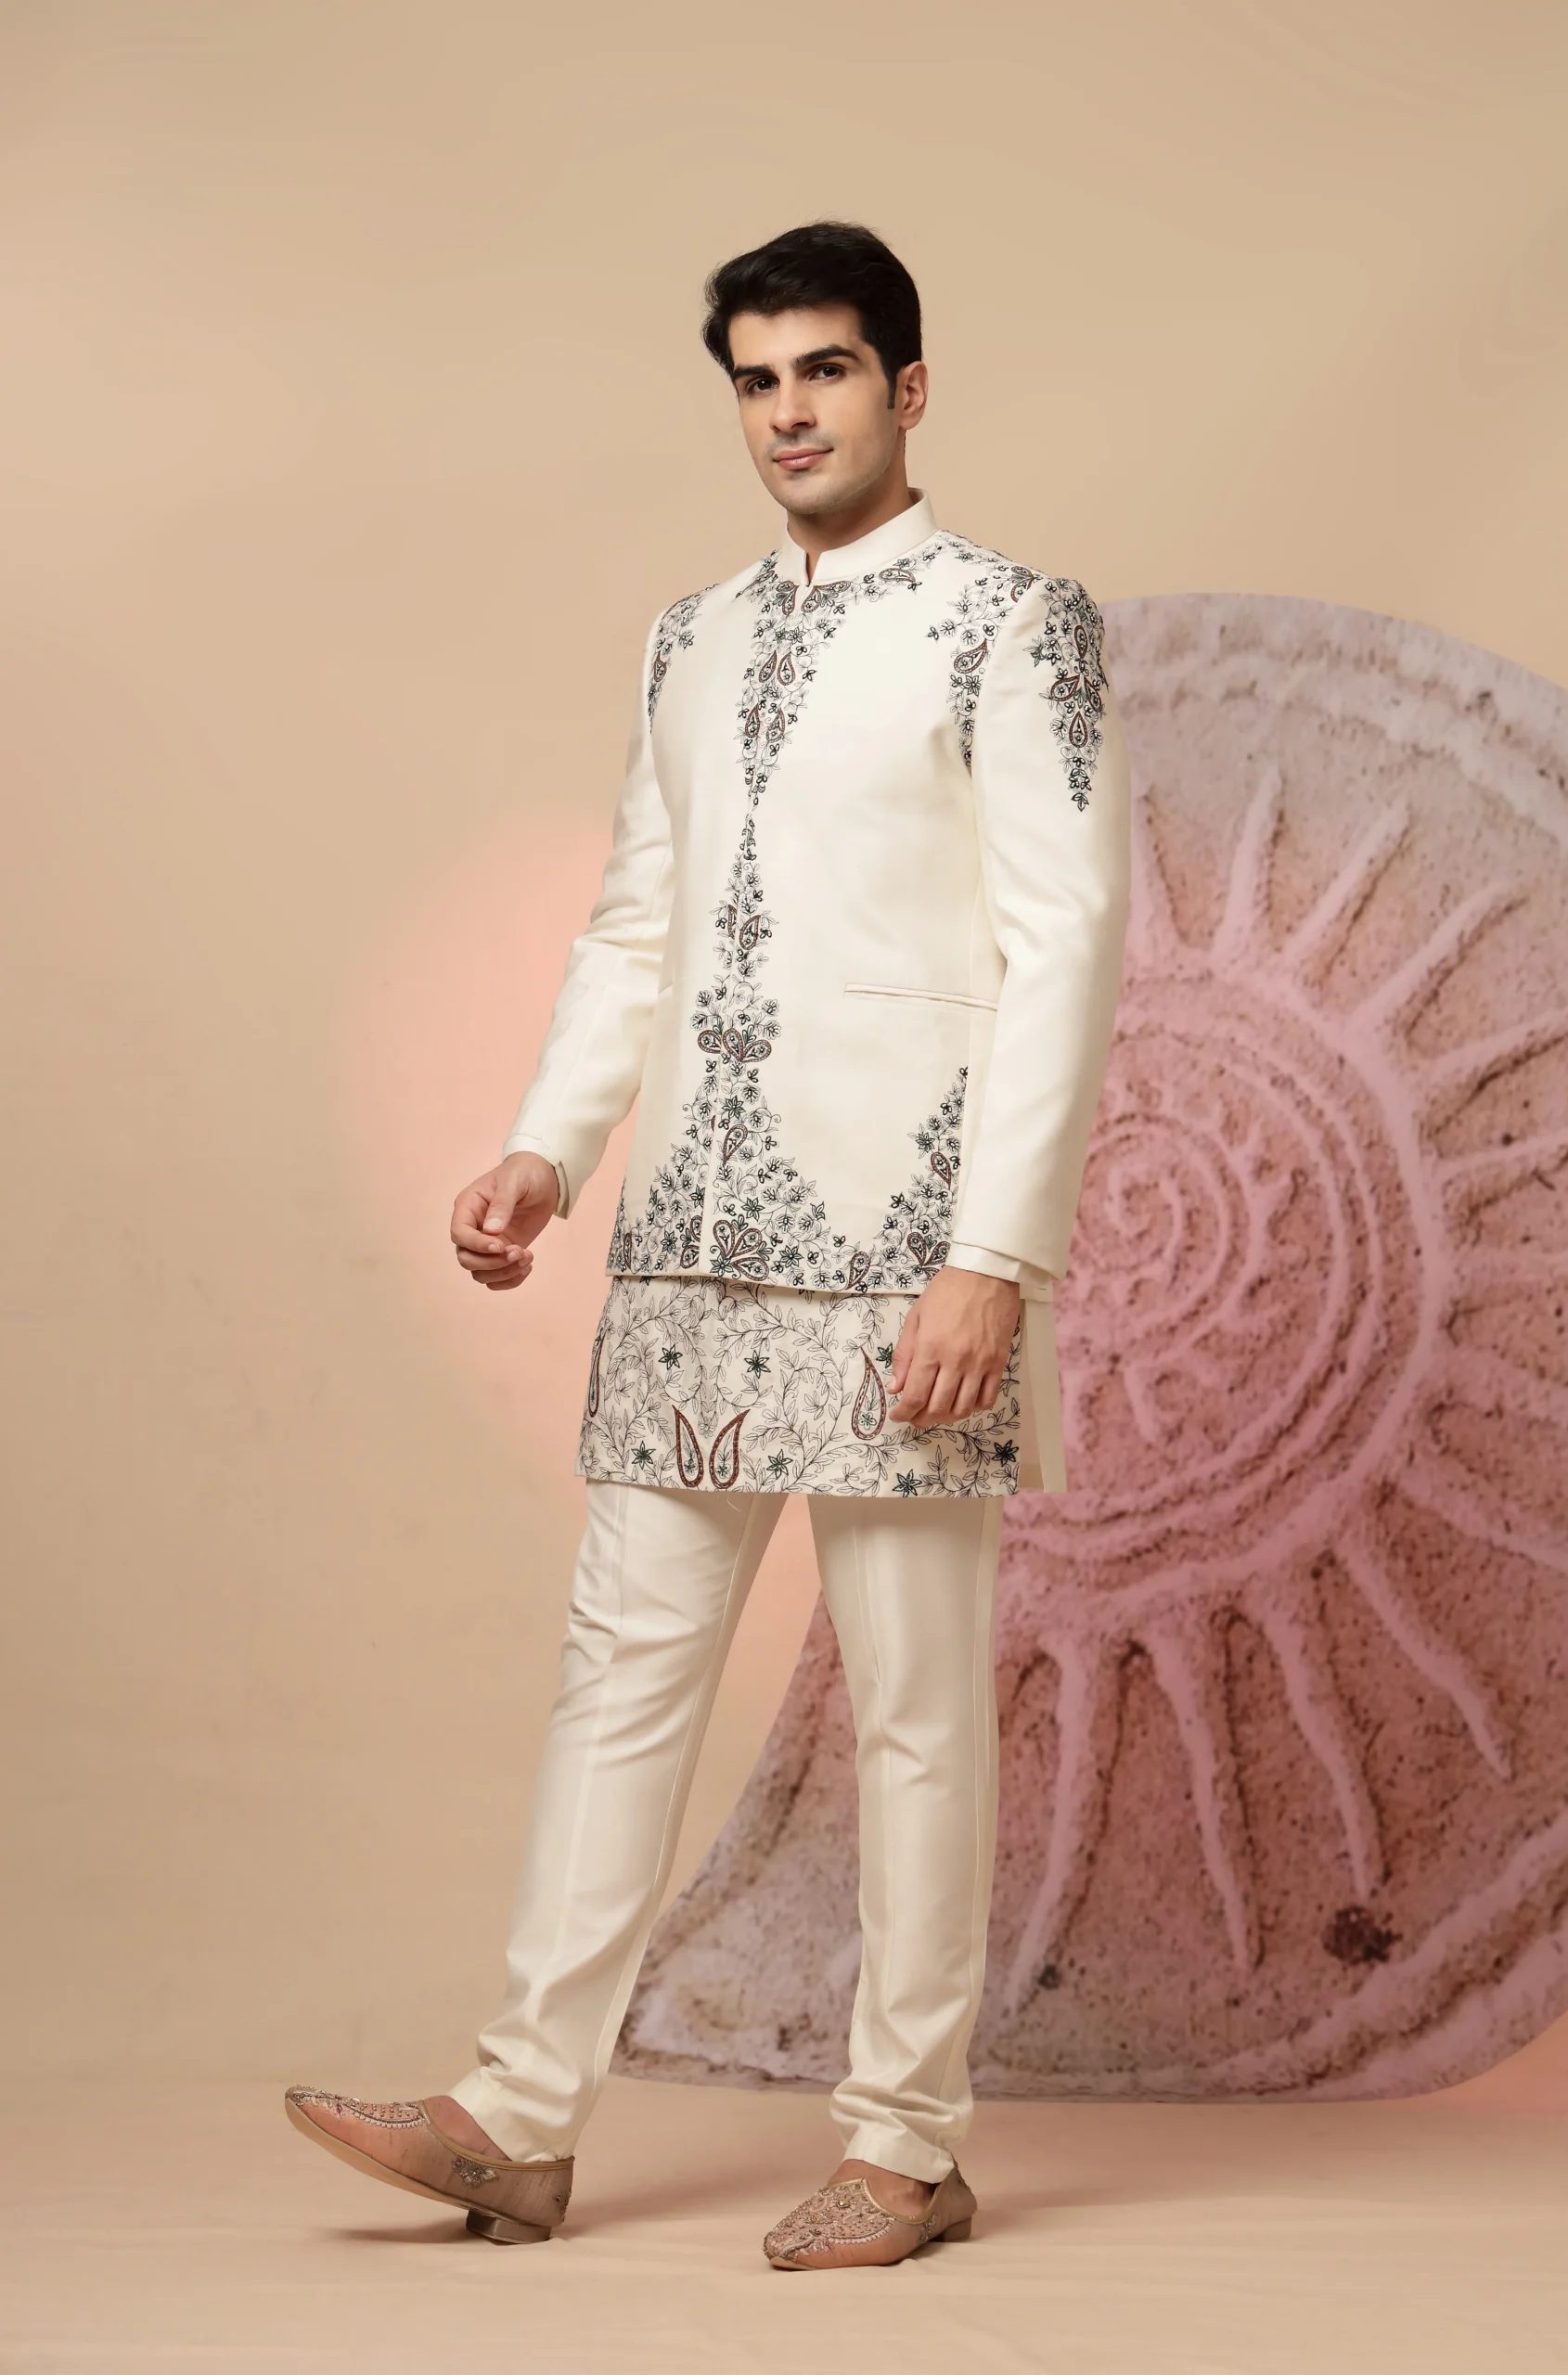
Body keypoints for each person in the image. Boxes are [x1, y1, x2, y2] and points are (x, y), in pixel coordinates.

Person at [287, 220, 1131, 2269]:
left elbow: (1067, 941)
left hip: (904, 1245)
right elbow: (637, 921)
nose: (787, 413)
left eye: (824, 371)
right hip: (690, 1239)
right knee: (620, 1674)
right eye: (756, 380)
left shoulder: (1012, 624)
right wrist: (546, 1150)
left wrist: (995, 1257)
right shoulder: (689, 635)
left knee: (910, 1701)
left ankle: (907, 2145)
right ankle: (516, 2116)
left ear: (905, 388)